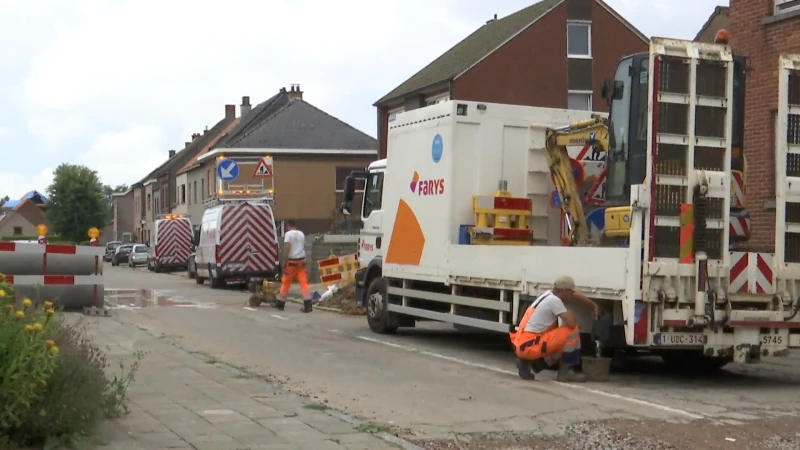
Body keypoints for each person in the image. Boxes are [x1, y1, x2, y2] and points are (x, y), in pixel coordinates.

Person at [509, 275, 600, 382]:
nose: (572, 296)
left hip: (523, 344)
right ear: (564, 291)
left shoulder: (547, 295)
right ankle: (565, 373)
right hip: (530, 345)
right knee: (572, 331)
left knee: (558, 337)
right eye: (571, 292)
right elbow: (571, 323)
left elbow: (575, 296)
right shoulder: (554, 301)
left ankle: (529, 362)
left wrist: (593, 305)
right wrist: (570, 312)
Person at [275, 220, 313, 313]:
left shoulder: (288, 234)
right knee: (303, 282)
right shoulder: (301, 234)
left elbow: (287, 246)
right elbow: (302, 247)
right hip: (301, 261)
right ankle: (308, 305)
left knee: (286, 282)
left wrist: (284, 261)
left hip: (292, 262)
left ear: (288, 226)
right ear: (295, 225)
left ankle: (280, 304)